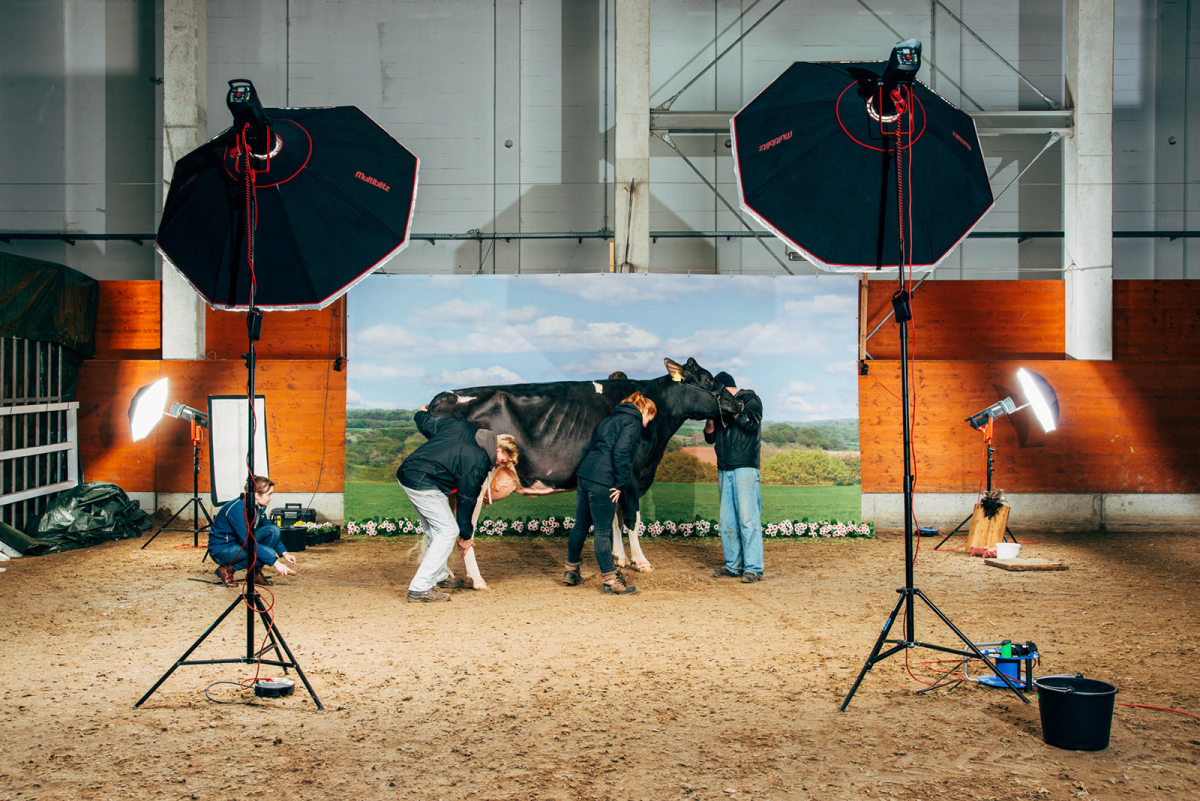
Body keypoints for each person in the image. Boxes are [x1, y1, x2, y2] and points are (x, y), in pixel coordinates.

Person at [398, 406, 520, 602]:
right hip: (424, 482)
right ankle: (420, 588)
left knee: (435, 531)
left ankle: (438, 575)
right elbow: (466, 499)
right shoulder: (478, 462)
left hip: (409, 473)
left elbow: (429, 425)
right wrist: (465, 536)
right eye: (505, 460)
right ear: (499, 449)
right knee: (447, 531)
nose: (503, 465)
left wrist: (420, 413)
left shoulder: (462, 427)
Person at [564, 392, 656, 595]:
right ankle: (611, 580)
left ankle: (571, 571)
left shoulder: (610, 419)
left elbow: (595, 447)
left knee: (580, 525)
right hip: (603, 479)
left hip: (586, 474)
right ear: (645, 410)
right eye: (650, 418)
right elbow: (621, 451)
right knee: (603, 531)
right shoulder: (632, 422)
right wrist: (620, 483)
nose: (647, 423)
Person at [704, 372, 764, 583]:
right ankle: (733, 565)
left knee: (748, 519)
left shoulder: (749, 399)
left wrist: (733, 408)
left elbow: (751, 423)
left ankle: (754, 568)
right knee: (727, 520)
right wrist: (711, 417)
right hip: (724, 468)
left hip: (745, 467)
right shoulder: (720, 408)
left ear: (728, 388)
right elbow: (710, 436)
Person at [208, 476, 297, 588]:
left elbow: (269, 529)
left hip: (238, 544)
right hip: (222, 550)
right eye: (268, 494)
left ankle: (254, 572)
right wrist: (276, 564)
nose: (271, 498)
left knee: (273, 530)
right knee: (268, 553)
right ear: (256, 495)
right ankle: (227, 569)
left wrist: (285, 553)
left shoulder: (257, 507)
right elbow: (247, 541)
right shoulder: (237, 509)